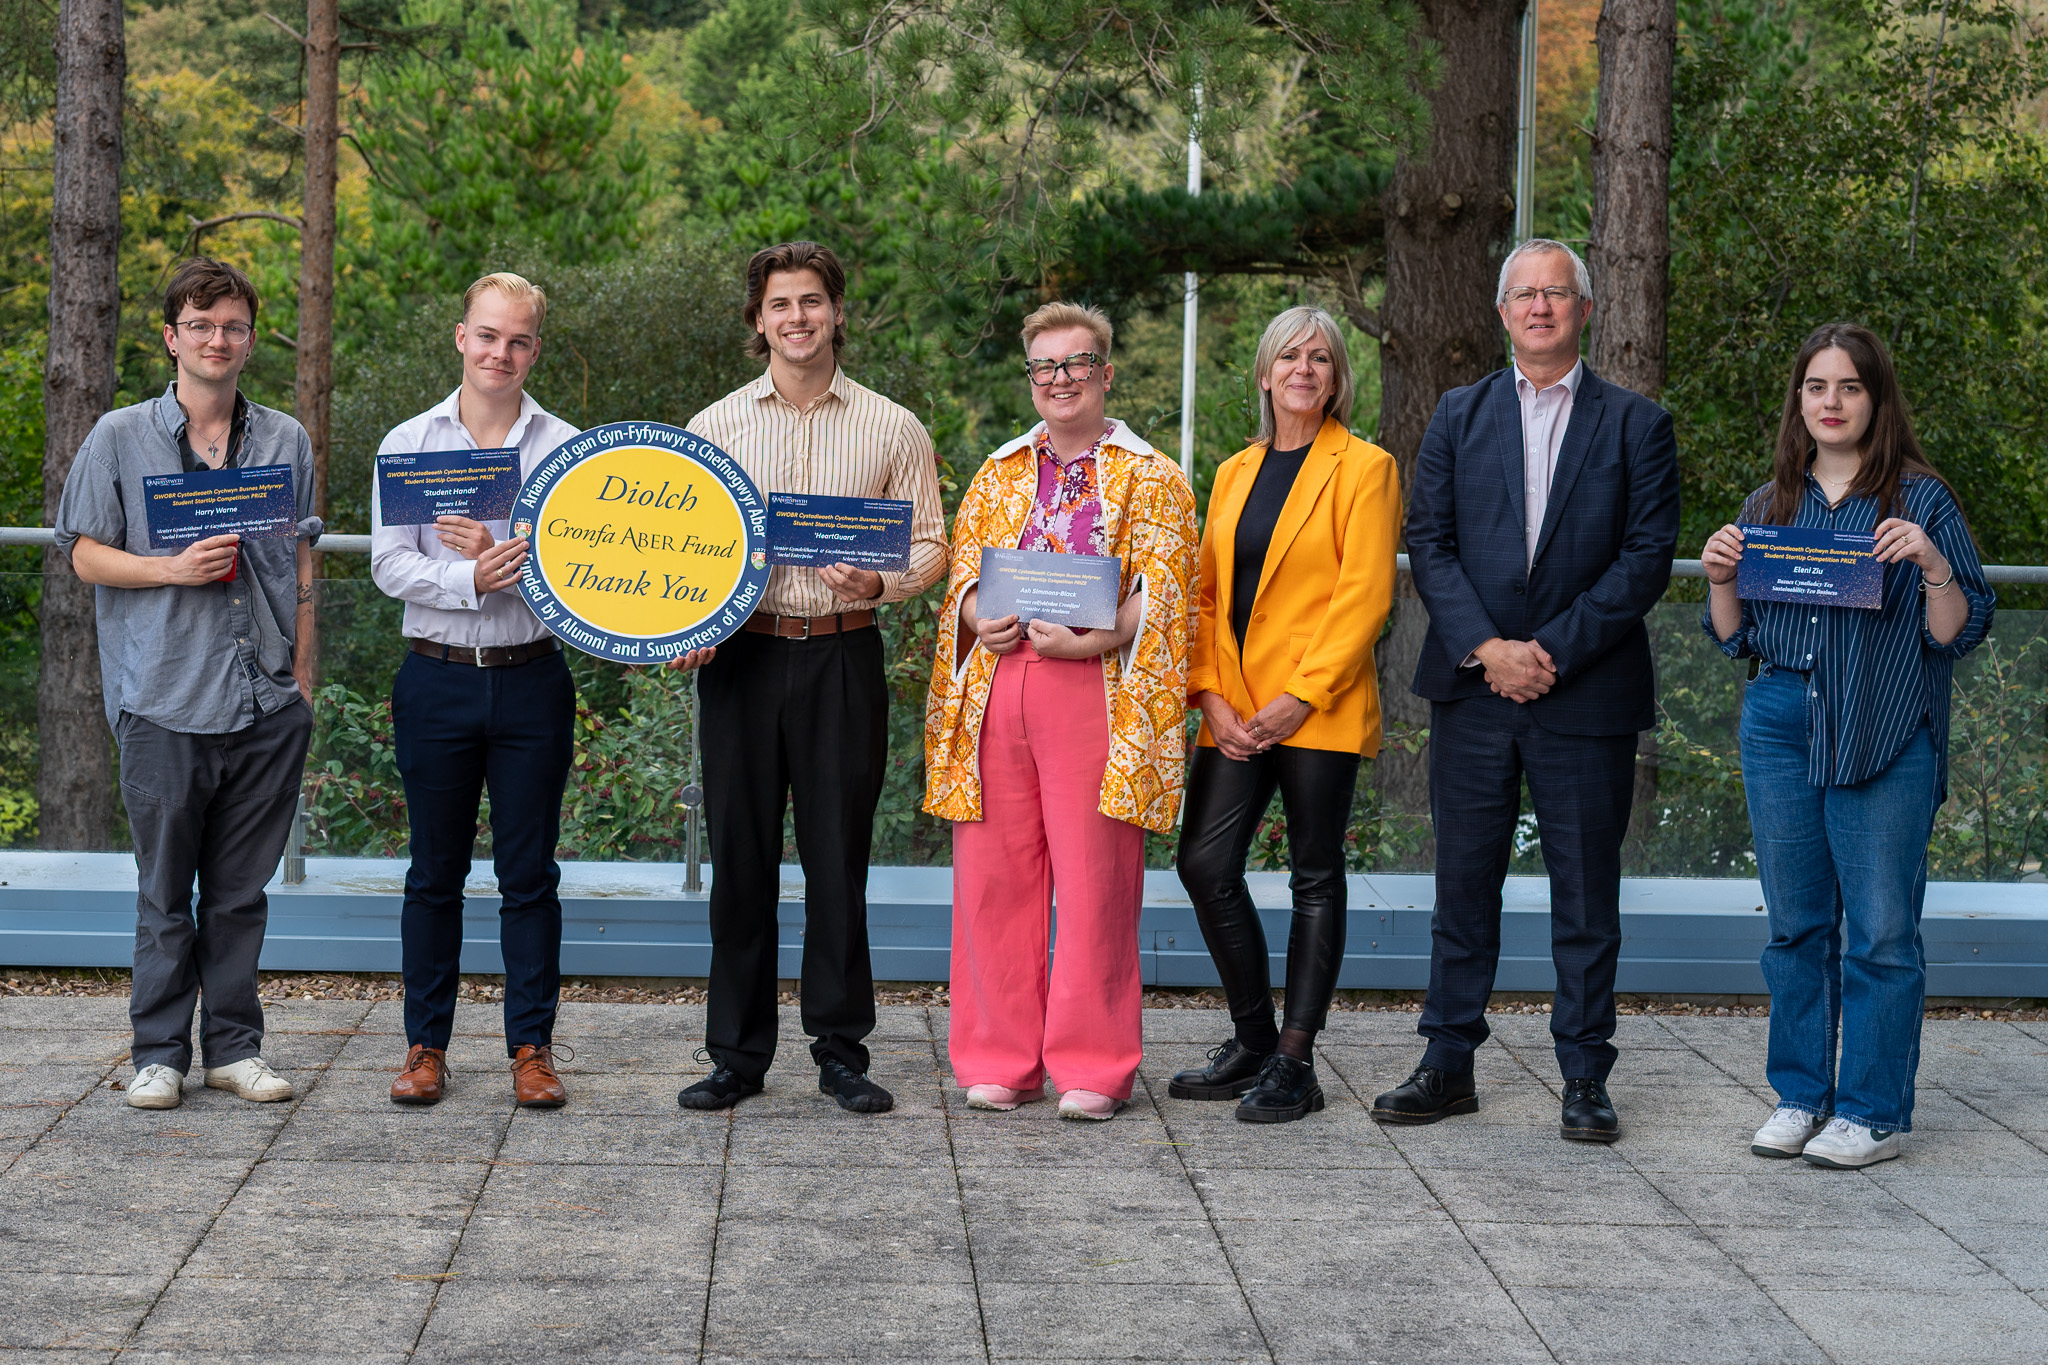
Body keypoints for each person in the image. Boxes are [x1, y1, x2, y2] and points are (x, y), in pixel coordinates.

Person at [1372, 238, 1679, 1143]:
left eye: (1557, 293)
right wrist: (1489, 650)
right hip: (1474, 692)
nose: (1540, 308)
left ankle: (1584, 1074)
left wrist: (1546, 651)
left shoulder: (1636, 424)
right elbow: (1429, 542)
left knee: (1587, 897)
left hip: (1584, 695)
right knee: (1463, 886)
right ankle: (1447, 1062)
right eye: (1523, 294)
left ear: (1585, 310)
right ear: (1501, 313)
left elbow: (1645, 558)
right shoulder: (1458, 415)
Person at [1701, 323, 1991, 1169]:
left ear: (1877, 399)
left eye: (1850, 387)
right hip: (1782, 720)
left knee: (1880, 929)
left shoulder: (1921, 499)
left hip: (1885, 722)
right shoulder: (1770, 504)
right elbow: (1735, 637)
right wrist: (1720, 577)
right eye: (1818, 387)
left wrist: (1933, 563)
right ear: (1799, 401)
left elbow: (1957, 632)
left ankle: (1871, 1111)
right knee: (1795, 925)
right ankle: (1800, 1094)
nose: (1832, 402)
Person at [677, 242, 947, 1114]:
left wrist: (883, 581)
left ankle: (840, 1049)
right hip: (743, 657)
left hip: (842, 652)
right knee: (742, 859)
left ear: (837, 311)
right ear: (758, 321)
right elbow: (683, 554)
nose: (798, 317)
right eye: (781, 304)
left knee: (838, 861)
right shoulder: (712, 429)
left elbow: (934, 543)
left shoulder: (893, 426)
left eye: (813, 301)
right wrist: (689, 627)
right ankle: (737, 1056)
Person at [55, 257, 318, 1111]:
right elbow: (85, 552)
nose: (218, 338)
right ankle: (158, 1052)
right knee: (166, 894)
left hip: (264, 701)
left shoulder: (285, 439)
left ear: (249, 340)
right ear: (173, 338)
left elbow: (303, 555)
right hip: (163, 699)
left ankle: (234, 1049)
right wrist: (170, 567)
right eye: (201, 325)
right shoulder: (119, 437)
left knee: (241, 893)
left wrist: (301, 677)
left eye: (234, 326)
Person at [925, 301, 1198, 1122]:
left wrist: (1106, 636)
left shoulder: (1152, 476)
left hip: (1095, 689)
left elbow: (1170, 588)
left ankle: (1093, 1062)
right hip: (1001, 683)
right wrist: (978, 615)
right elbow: (963, 576)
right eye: (1044, 366)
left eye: (1076, 364)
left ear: (1105, 373)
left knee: (1093, 881)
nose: (1059, 379)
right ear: (1031, 378)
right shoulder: (1000, 470)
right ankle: (1001, 1058)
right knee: (993, 877)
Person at [371, 272, 611, 1109]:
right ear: (460, 337)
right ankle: (424, 1046)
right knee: (432, 875)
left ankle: (532, 1049)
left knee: (529, 875)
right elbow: (387, 562)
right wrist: (471, 576)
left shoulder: (571, 449)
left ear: (534, 349)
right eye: (487, 335)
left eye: (517, 340)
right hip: (433, 679)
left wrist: (508, 554)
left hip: (530, 681)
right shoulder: (409, 441)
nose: (499, 352)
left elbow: (592, 575)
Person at [1169, 306, 1399, 1122]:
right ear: (1264, 374)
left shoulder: (1365, 468)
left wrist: (1300, 694)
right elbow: (1203, 597)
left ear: (1336, 379)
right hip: (1234, 708)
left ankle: (1296, 1062)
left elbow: (1365, 594)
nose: (1305, 368)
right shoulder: (1233, 471)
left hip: (1316, 705)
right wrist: (1211, 696)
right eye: (1289, 357)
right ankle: (1255, 1036)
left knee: (1313, 874)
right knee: (1203, 863)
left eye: (1322, 358)